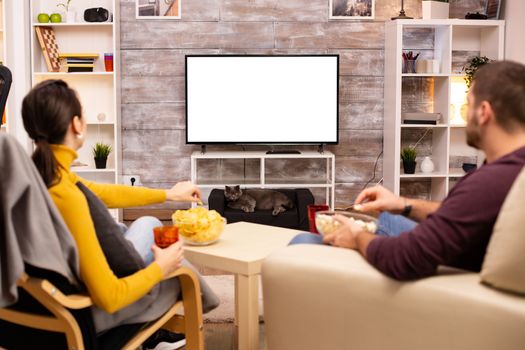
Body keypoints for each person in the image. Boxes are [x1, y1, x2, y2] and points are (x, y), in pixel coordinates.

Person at [20, 79, 212, 349]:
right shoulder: (67, 196)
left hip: (28, 312)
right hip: (78, 315)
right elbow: (110, 296)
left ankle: (157, 336)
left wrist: (169, 194)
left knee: (146, 223)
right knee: (178, 271)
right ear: (76, 124)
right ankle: (205, 299)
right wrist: (161, 267)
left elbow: (106, 192)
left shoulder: (38, 177)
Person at [291, 60, 525, 280]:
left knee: (303, 242)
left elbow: (405, 258)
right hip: (461, 250)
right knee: (386, 217)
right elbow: (464, 215)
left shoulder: (491, 182)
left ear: (484, 112)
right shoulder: (511, 169)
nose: (466, 114)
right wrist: (403, 204)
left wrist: (357, 237)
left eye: (468, 105)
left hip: (440, 273)